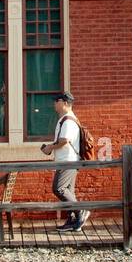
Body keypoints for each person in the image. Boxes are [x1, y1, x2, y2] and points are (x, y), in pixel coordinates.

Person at [41, 92, 90, 231]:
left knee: (59, 189)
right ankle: (73, 221)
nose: (54, 104)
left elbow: (64, 141)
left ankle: (81, 211)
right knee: (68, 191)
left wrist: (50, 147)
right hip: (68, 160)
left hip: (67, 161)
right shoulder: (65, 119)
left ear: (65, 103)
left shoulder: (68, 120)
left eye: (57, 101)